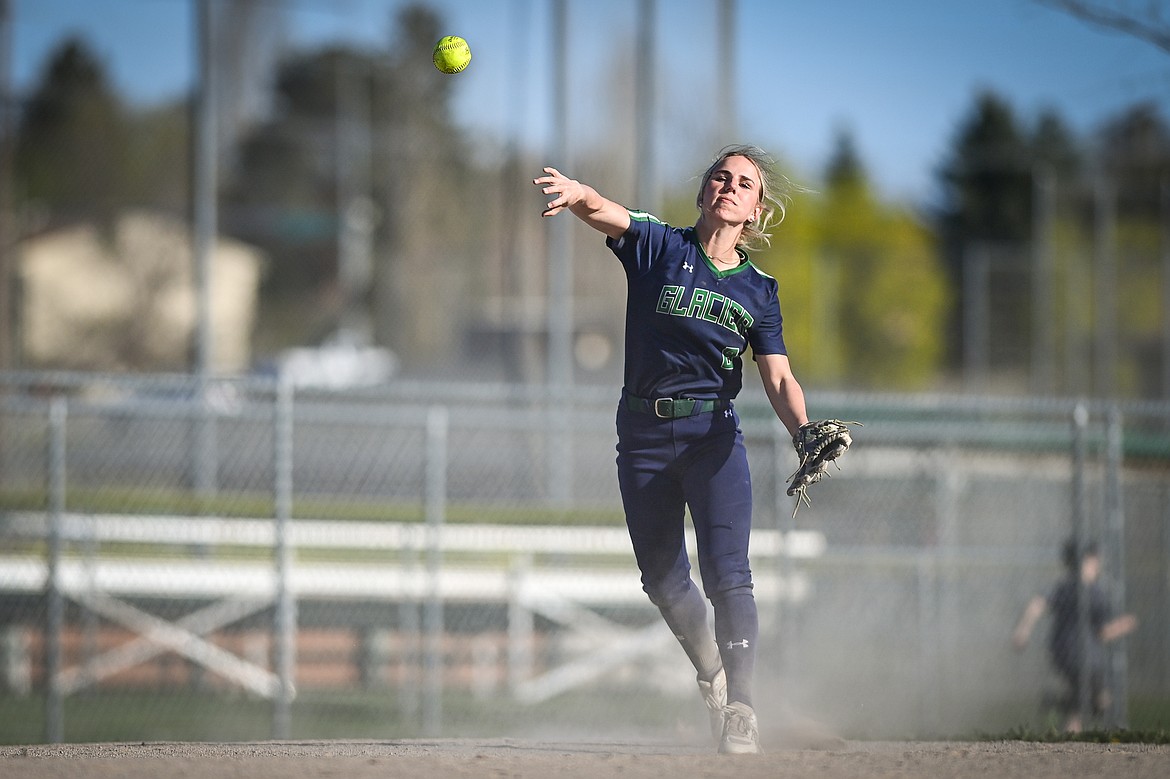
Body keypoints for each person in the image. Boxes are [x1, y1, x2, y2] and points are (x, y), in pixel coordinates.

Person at [533, 145, 810, 754]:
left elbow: (778, 376)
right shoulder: (662, 247)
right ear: (704, 192)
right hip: (643, 436)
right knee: (661, 578)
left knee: (728, 575)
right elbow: (606, 212)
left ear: (756, 211)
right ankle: (712, 671)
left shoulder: (759, 290)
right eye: (721, 177)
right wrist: (579, 196)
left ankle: (742, 707)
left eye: (745, 184)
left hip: (713, 439)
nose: (730, 187)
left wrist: (802, 430)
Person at [1012, 539, 1138, 732]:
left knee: (1093, 701)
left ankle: (1057, 707)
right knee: (1093, 702)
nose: (1098, 562)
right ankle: (1064, 721)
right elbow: (1104, 632)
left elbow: (1037, 605)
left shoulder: (1066, 587)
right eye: (1095, 558)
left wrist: (1023, 630)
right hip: (1084, 657)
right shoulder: (1092, 591)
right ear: (1087, 560)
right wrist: (1125, 624)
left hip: (1062, 653)